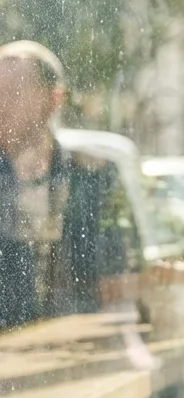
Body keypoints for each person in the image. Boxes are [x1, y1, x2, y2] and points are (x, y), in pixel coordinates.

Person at [0, 40, 127, 330]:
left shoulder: (92, 176)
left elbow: (114, 274)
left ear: (53, 99)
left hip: (76, 345)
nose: (1, 104)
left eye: (12, 93)